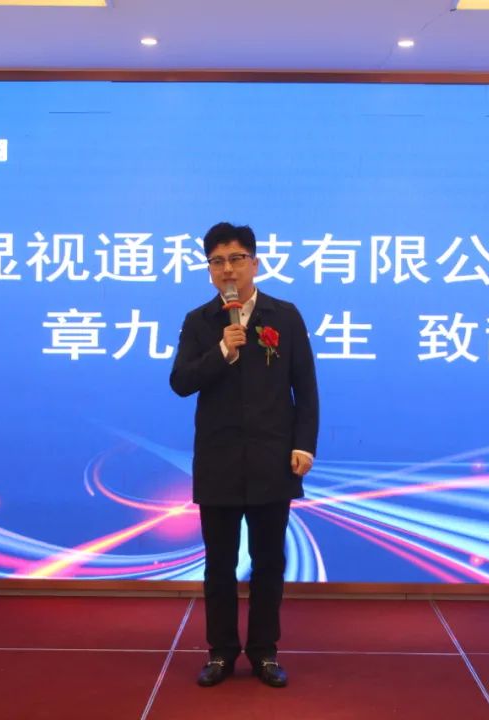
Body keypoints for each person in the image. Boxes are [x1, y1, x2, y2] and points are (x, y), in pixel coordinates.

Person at [170, 221, 319, 688]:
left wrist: (303, 445)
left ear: (255, 263)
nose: (227, 269)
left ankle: (264, 652)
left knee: (269, 562)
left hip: (273, 460)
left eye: (236, 259)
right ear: (209, 269)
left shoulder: (284, 316)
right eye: (217, 261)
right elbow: (181, 382)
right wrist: (222, 350)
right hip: (218, 461)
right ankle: (220, 653)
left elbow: (305, 388)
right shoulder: (200, 321)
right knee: (219, 564)